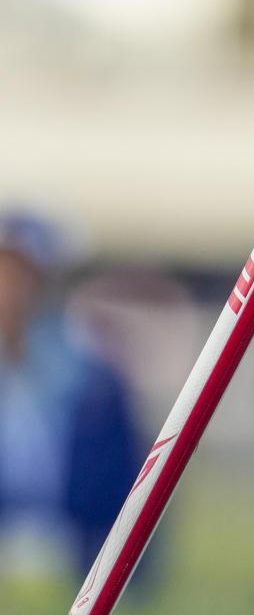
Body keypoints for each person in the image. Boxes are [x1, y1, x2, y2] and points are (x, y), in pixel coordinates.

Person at [0, 211, 142, 576]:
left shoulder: (96, 379)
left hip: (70, 560)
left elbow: (119, 501)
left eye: (23, 275)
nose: (11, 289)